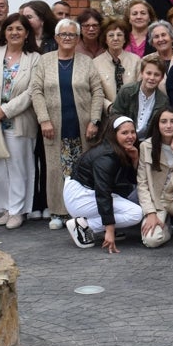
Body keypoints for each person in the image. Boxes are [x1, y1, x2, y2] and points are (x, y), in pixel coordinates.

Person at [31, 18, 105, 230]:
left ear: (78, 38)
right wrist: (44, 119)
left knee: (80, 171)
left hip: (82, 127)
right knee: (56, 170)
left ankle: (82, 213)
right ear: (56, 37)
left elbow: (97, 92)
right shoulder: (44, 61)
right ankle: (58, 212)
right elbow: (36, 91)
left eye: (72, 35)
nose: (67, 38)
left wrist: (94, 120)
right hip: (53, 127)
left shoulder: (86, 62)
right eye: (63, 34)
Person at [0, 13, 41, 230]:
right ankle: (3, 208)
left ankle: (18, 210)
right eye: (10, 28)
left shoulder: (34, 58)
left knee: (18, 166)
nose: (14, 32)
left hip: (19, 120)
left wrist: (4, 111)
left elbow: (32, 92)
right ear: (4, 32)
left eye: (19, 29)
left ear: (27, 33)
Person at [64, 116, 143, 252]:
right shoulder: (105, 157)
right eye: (124, 133)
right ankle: (85, 226)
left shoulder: (119, 149)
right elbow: (103, 192)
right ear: (114, 134)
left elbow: (129, 182)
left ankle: (96, 225)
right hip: (80, 196)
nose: (130, 136)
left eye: (132, 132)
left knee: (131, 197)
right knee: (135, 213)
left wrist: (135, 160)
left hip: (88, 191)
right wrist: (110, 230)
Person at [136, 108, 173, 248]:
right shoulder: (146, 146)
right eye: (163, 121)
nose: (168, 126)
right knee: (151, 240)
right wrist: (150, 212)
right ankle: (168, 227)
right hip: (157, 202)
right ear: (157, 124)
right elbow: (142, 183)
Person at [110, 53, 170, 140]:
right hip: (124, 140)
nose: (152, 78)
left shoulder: (163, 101)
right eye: (148, 73)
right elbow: (115, 116)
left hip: (147, 142)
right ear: (142, 73)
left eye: (156, 75)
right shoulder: (126, 91)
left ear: (161, 78)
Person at [94, 16, 141, 107]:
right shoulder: (96, 63)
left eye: (119, 35)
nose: (115, 38)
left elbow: (140, 88)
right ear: (105, 39)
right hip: (108, 115)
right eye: (111, 35)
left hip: (132, 112)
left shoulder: (136, 60)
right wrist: (109, 107)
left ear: (125, 39)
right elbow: (96, 92)